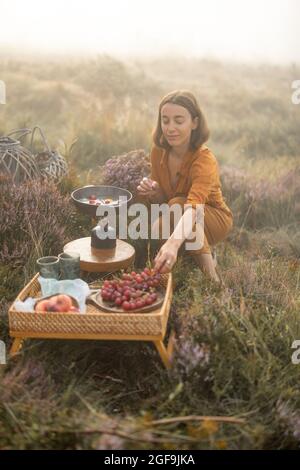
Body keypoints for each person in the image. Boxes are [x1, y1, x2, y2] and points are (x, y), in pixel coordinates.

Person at [137, 90, 233, 283]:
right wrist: (155, 193)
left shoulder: (204, 159)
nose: (170, 128)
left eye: (179, 121)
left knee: (179, 206)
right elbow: (165, 202)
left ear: (194, 123)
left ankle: (213, 280)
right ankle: (189, 258)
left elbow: (193, 208)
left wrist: (172, 244)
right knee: (159, 227)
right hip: (179, 210)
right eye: (165, 120)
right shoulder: (158, 152)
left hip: (213, 217)